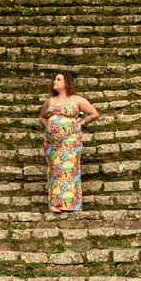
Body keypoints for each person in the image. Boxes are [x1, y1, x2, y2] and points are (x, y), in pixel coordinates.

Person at [38, 72, 99, 213]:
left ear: (67, 82)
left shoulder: (76, 100)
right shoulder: (49, 102)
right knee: (55, 171)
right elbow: (42, 117)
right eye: (54, 79)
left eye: (58, 79)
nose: (54, 81)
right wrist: (50, 128)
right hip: (53, 143)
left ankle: (71, 205)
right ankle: (55, 204)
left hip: (71, 141)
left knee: (69, 171)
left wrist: (81, 123)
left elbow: (94, 114)